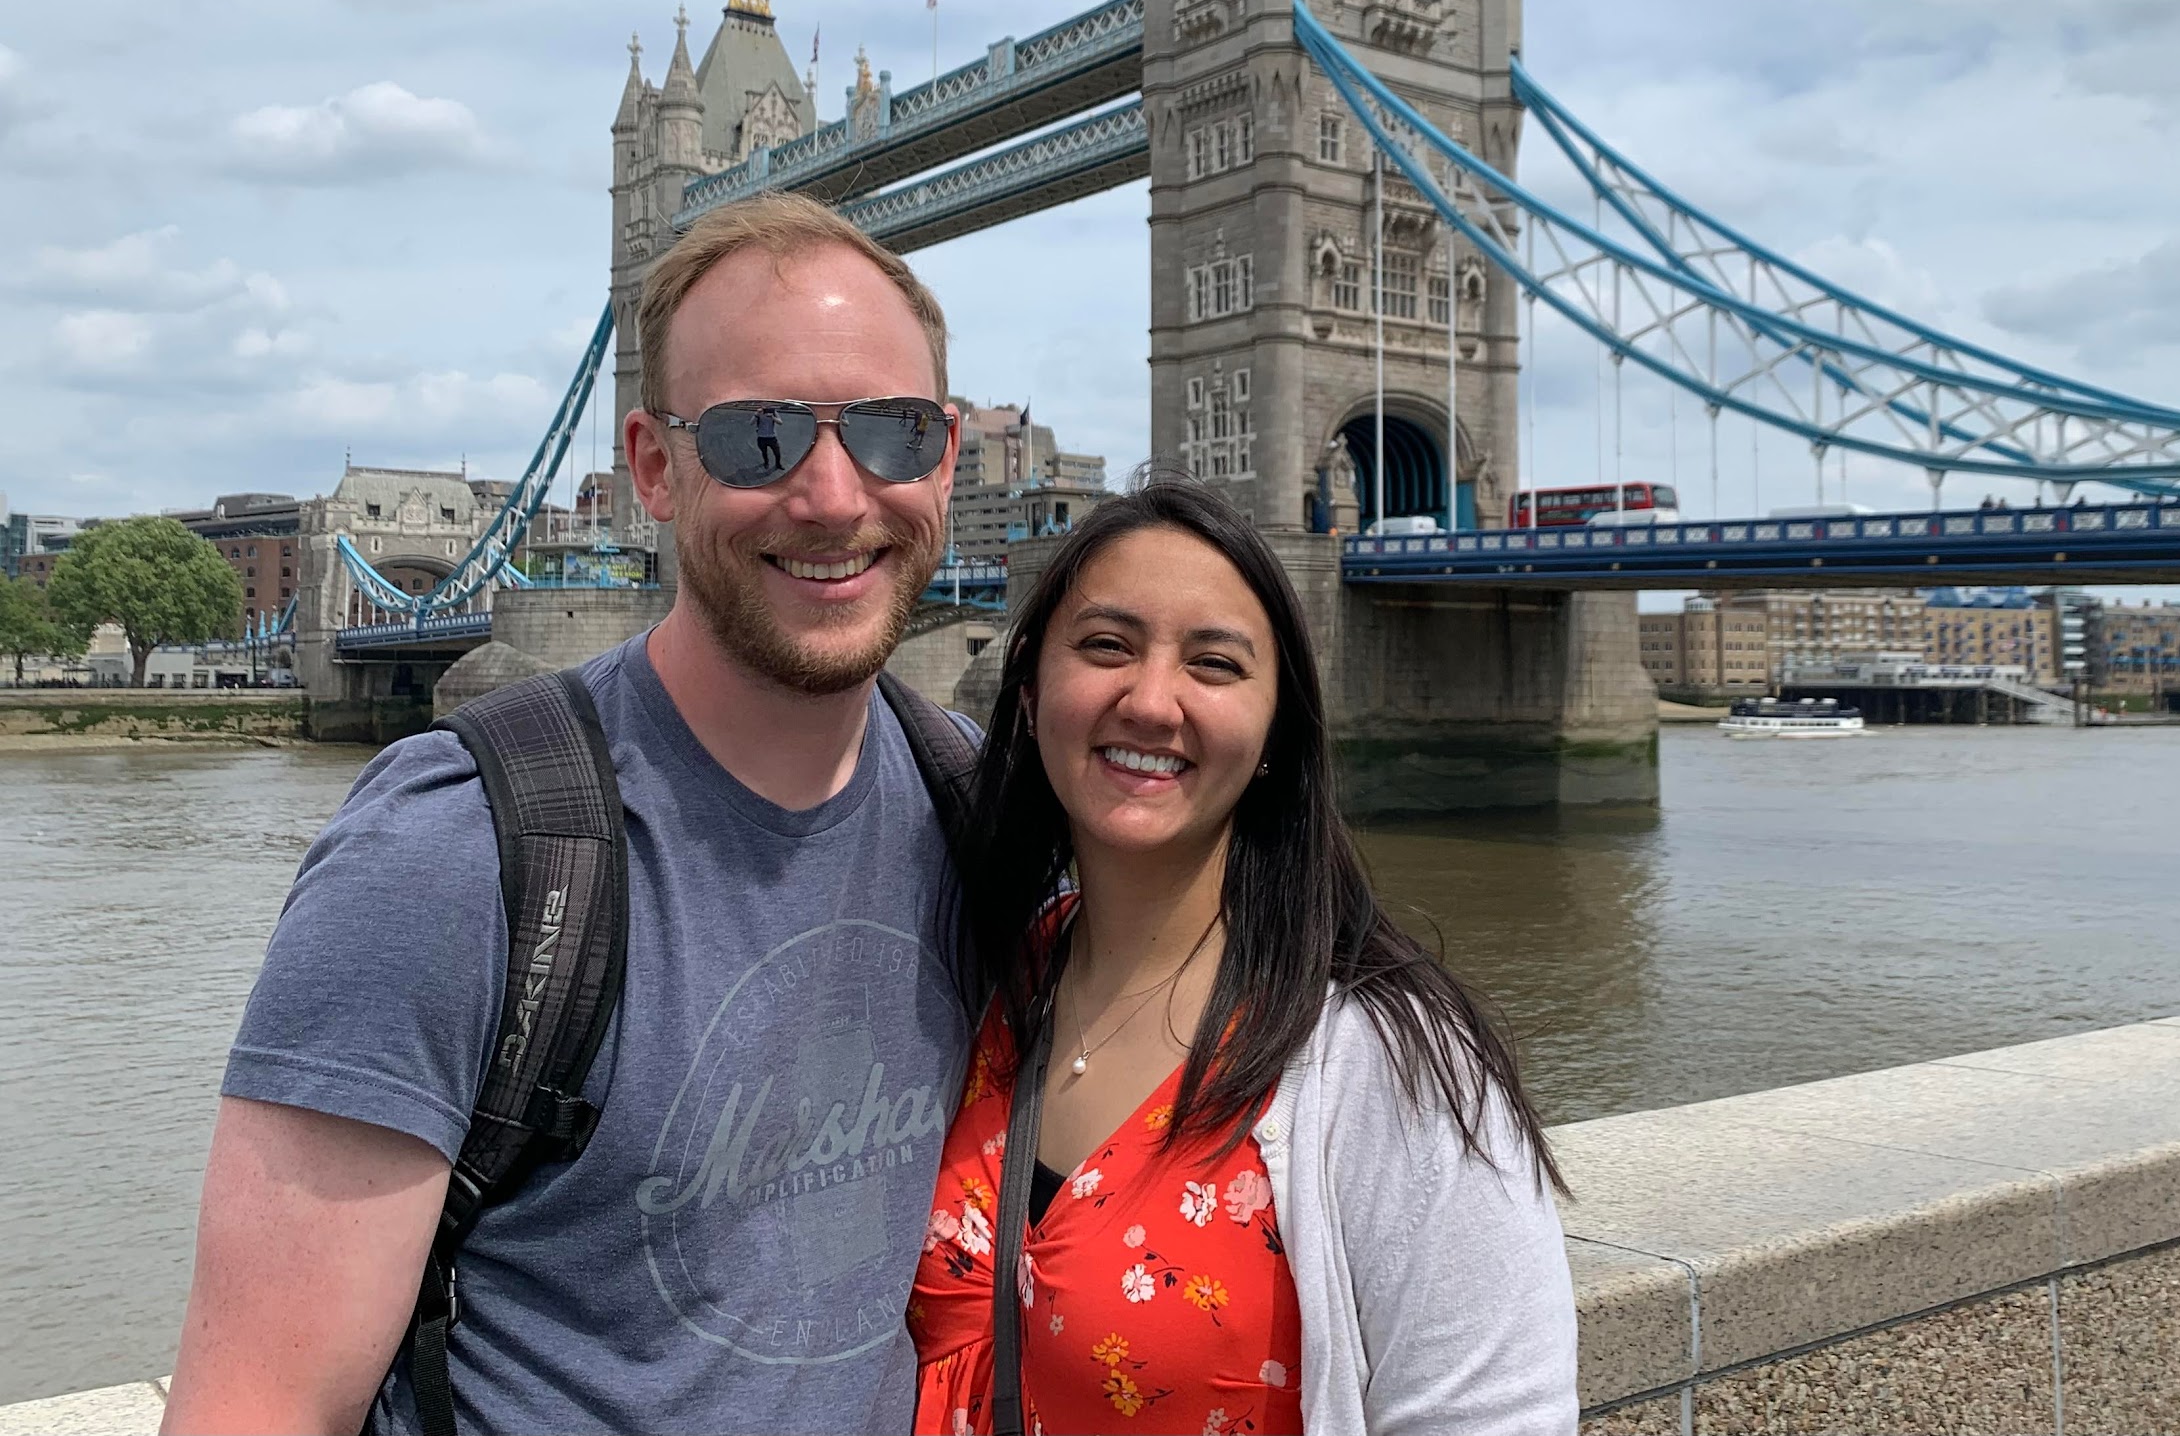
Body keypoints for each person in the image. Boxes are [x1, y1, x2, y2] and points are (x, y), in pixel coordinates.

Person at [164, 194, 972, 1436]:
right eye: (760, 438)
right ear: (652, 466)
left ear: (946, 455)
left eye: (891, 431)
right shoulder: (456, 852)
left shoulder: (974, 801)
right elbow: (258, 1407)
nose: (832, 491)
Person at [908, 478, 1578, 1436]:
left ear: (1275, 733)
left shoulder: (1393, 1064)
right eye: (1106, 647)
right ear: (1030, 690)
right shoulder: (981, 979)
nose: (1149, 701)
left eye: (1215, 665)